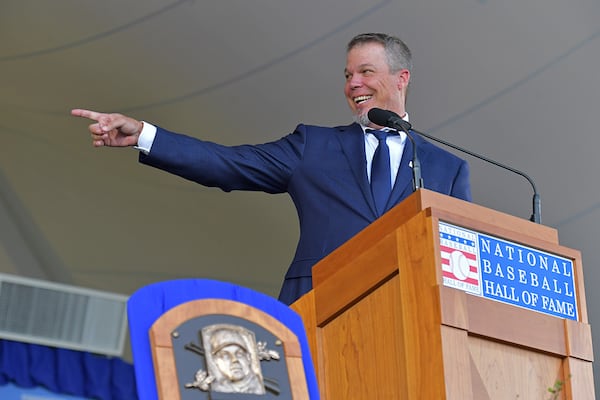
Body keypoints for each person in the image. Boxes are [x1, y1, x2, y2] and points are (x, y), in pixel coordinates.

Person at [71, 32, 472, 305]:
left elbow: (461, 272)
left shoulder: (446, 168)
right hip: (318, 308)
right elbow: (227, 164)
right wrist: (144, 134)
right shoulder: (314, 145)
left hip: (410, 320)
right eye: (348, 75)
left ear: (401, 78)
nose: (353, 84)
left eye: (366, 72)